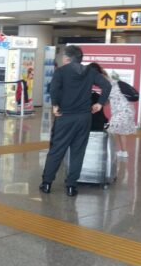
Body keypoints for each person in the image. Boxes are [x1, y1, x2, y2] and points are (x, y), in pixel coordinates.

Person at [39, 45, 111, 197]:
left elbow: (53, 89)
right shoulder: (90, 72)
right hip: (84, 118)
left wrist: (55, 106)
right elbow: (106, 85)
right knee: (78, 152)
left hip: (65, 117)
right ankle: (71, 186)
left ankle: (46, 183)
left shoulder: (61, 72)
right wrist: (99, 103)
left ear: (67, 58)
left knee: (57, 150)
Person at [89, 63, 135, 158]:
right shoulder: (109, 79)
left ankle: (109, 153)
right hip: (127, 109)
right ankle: (123, 151)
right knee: (121, 131)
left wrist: (98, 104)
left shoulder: (105, 82)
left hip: (121, 111)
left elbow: (106, 99)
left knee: (109, 132)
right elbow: (109, 99)